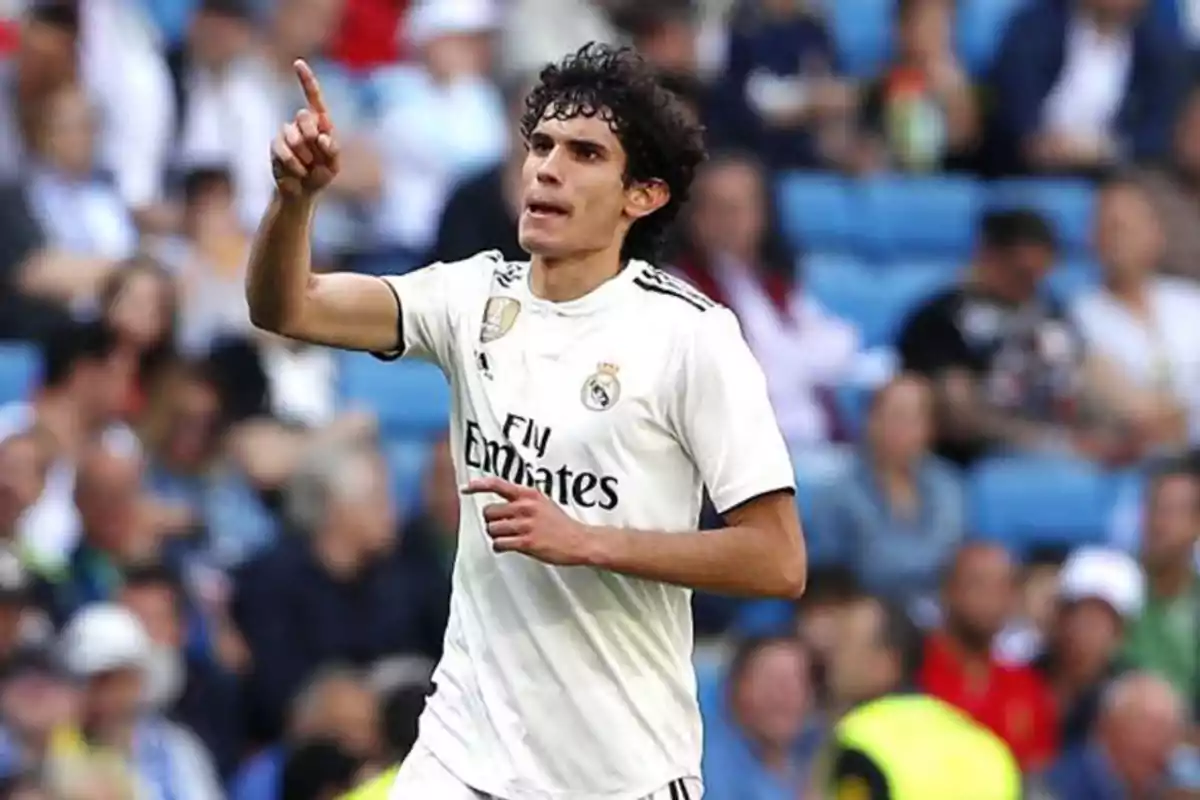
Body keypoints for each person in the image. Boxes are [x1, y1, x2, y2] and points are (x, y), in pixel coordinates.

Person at [248, 43, 805, 800]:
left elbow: (777, 561)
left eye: (584, 153)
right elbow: (289, 306)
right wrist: (294, 201)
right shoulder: (472, 298)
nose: (547, 168)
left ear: (641, 195)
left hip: (621, 770)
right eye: (540, 145)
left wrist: (589, 541)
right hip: (462, 755)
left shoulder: (691, 337)